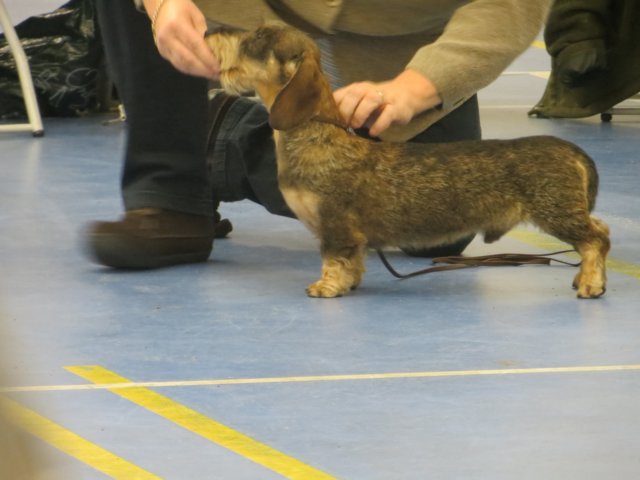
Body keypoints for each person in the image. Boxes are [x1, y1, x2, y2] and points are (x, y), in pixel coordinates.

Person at [86, 0, 552, 269]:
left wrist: (423, 84)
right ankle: (169, 191)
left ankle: (218, 138)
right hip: (251, 8)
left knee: (433, 234)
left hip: (405, 43)